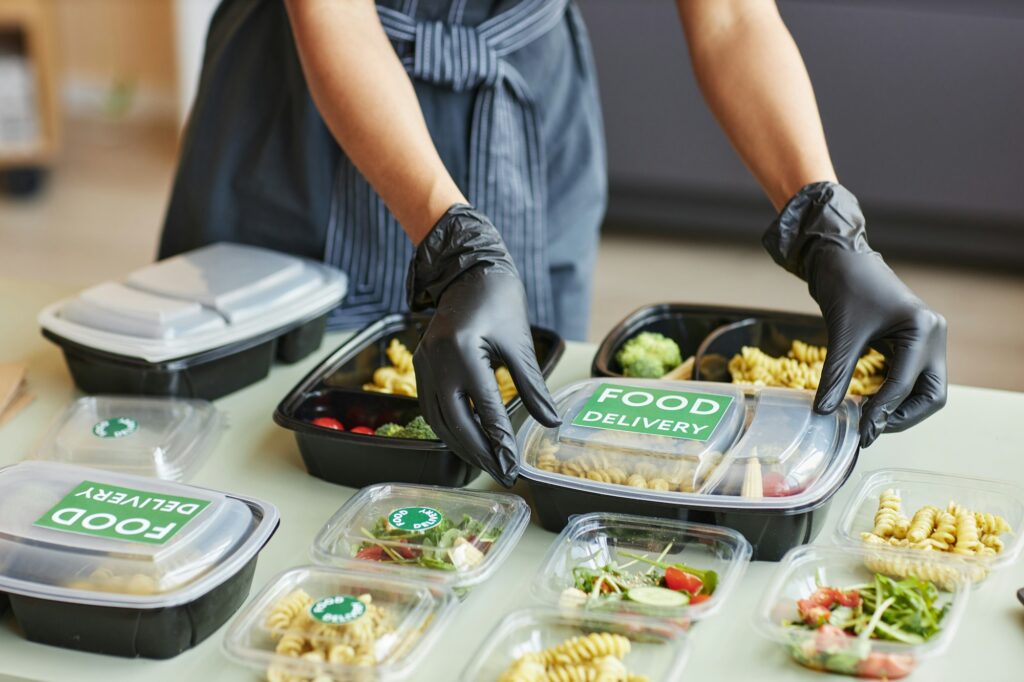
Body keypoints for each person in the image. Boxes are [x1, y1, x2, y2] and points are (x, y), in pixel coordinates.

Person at [160, 0, 947, 486]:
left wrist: (825, 222)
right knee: (244, 455)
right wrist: (453, 244)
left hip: (520, 103)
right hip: (302, 116)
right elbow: (331, 11)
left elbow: (733, 14)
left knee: (511, 444)